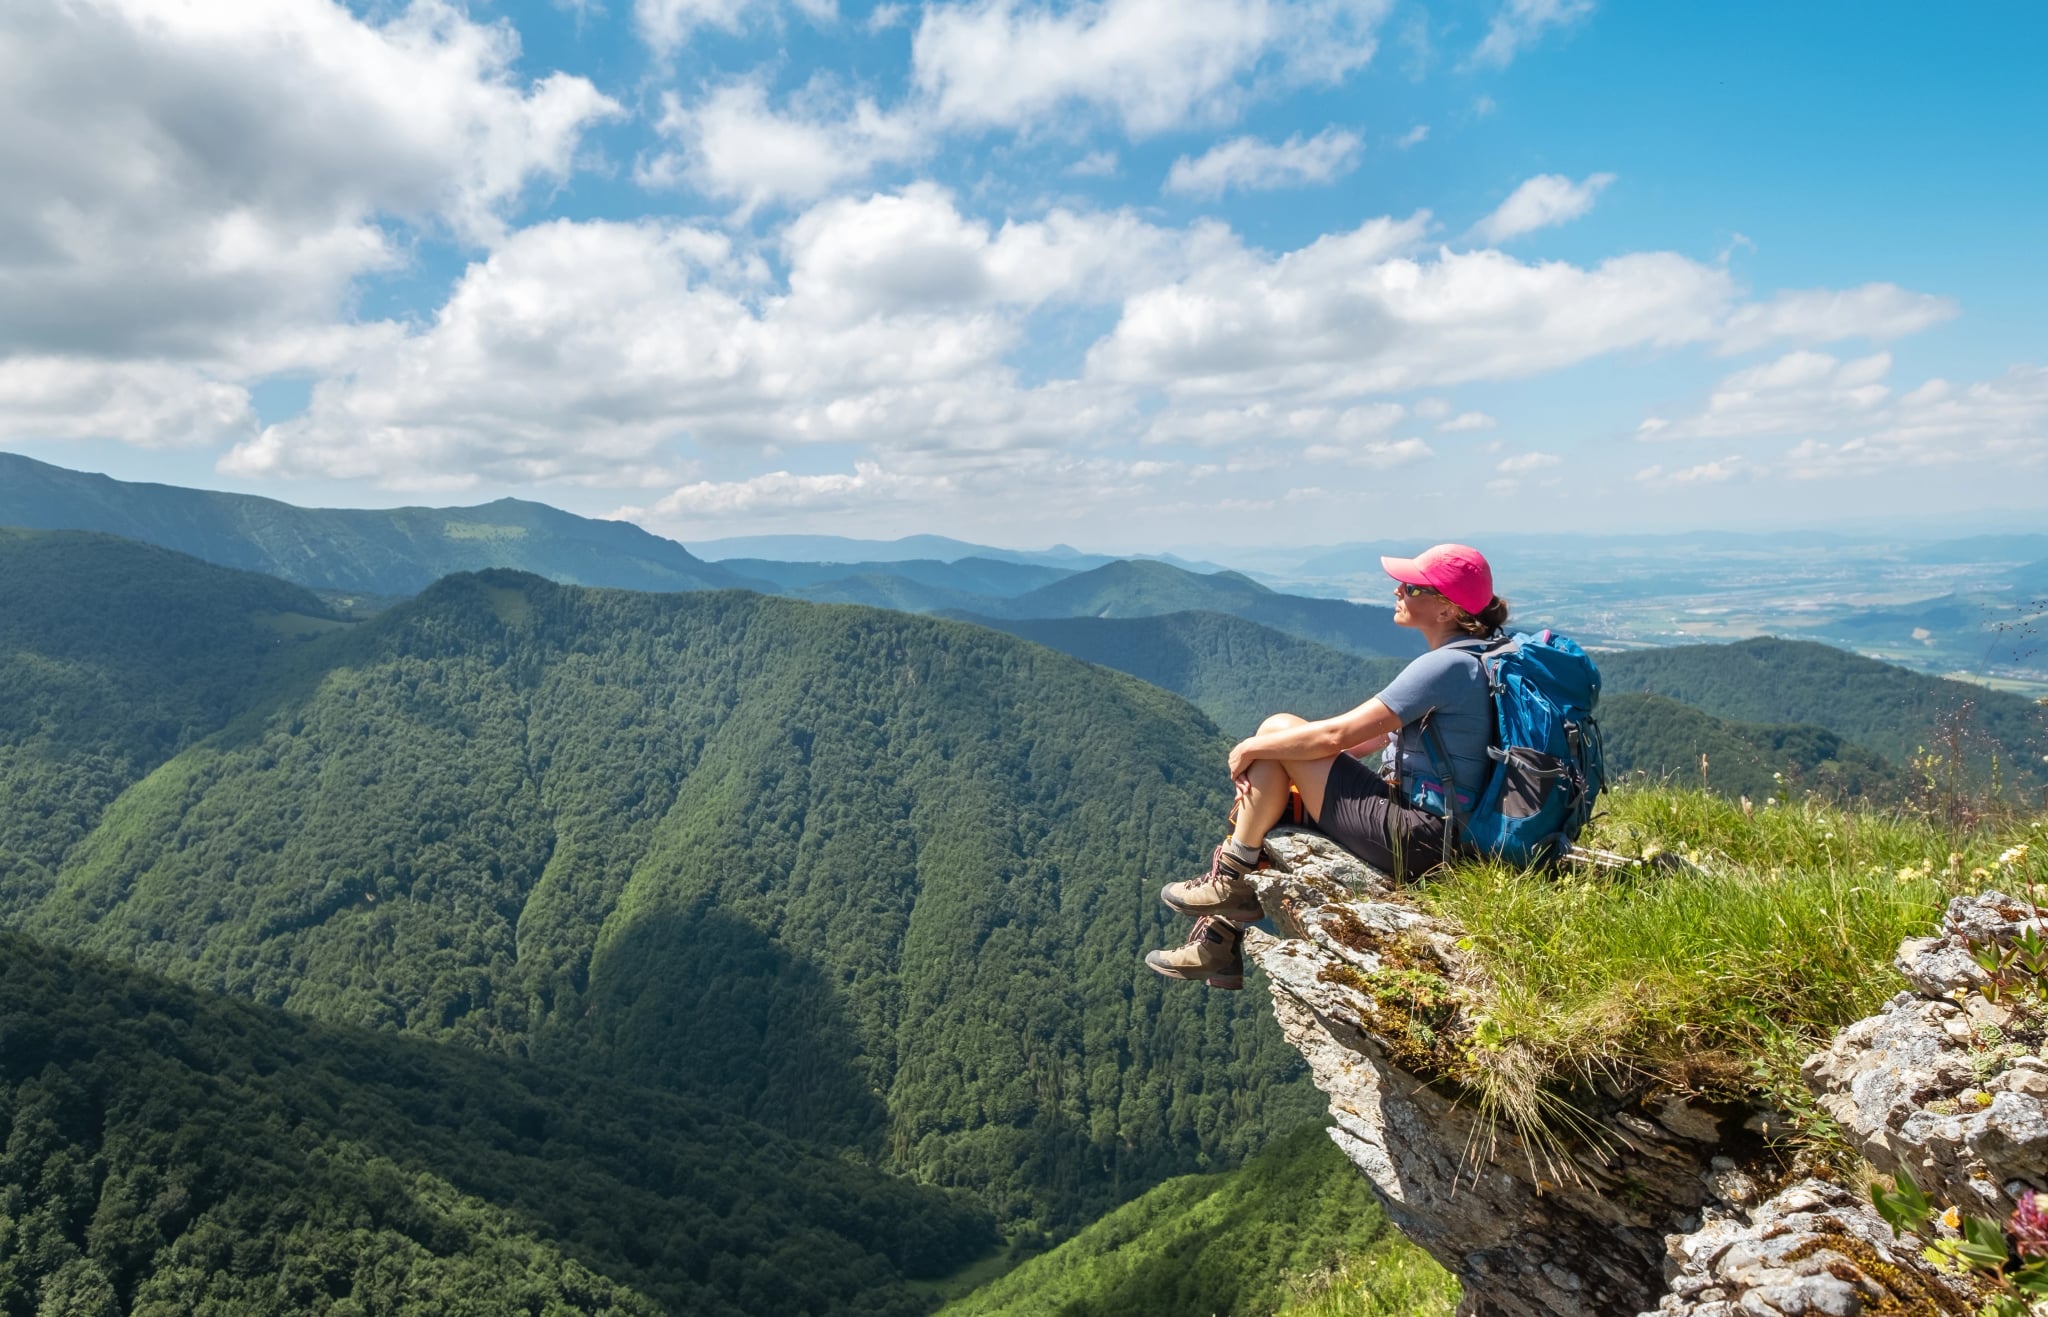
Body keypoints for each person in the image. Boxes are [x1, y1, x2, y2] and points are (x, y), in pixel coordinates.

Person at [1145, 543, 1511, 990]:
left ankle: (1226, 896)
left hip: (1422, 840)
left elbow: (1337, 737)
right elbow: (1371, 740)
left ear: (1446, 609)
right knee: (1282, 758)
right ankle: (1221, 926)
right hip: (1446, 830)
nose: (1398, 590)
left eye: (1413, 586)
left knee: (1276, 733)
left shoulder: (1444, 666)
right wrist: (1293, 762)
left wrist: (1252, 748)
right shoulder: (1488, 654)